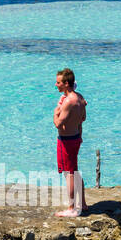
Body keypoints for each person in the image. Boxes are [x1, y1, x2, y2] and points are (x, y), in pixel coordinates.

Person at [53, 68, 87, 217]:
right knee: (75, 170)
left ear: (66, 84)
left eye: (58, 82)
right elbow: (83, 118)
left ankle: (72, 208)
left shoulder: (68, 101)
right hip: (76, 137)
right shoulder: (80, 98)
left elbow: (58, 124)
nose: (56, 85)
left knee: (69, 173)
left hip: (66, 141)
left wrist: (56, 111)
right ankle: (83, 203)